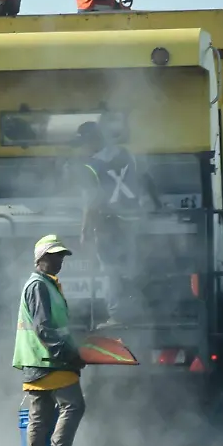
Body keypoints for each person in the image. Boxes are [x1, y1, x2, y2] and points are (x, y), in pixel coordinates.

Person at [13, 234, 87, 446]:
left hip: (37, 360)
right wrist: (66, 354)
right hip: (49, 359)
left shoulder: (47, 284)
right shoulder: (39, 286)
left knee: (41, 414)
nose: (60, 261)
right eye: (55, 256)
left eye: (61, 257)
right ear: (41, 258)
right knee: (74, 406)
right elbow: (44, 328)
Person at [72, 121, 161, 327]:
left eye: (84, 142)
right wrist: (156, 204)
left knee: (110, 269)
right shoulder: (126, 154)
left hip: (109, 223)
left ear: (93, 140)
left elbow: (91, 201)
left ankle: (117, 317)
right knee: (130, 267)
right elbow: (145, 179)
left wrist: (84, 229)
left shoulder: (91, 166)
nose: (83, 147)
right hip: (132, 219)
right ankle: (137, 312)